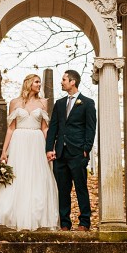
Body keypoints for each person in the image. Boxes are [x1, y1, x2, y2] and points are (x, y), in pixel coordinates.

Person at [0, 73, 59, 230]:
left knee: (37, 176)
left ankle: (37, 216)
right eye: (36, 82)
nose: (39, 85)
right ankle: (12, 215)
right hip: (19, 141)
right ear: (28, 83)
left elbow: (44, 127)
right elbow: (10, 128)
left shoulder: (43, 103)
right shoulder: (14, 102)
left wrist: (50, 147)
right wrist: (4, 151)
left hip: (36, 142)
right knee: (18, 175)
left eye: (40, 82)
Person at [45, 69, 96, 231]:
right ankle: (65, 223)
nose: (62, 82)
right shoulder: (59, 104)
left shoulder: (87, 103)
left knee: (81, 187)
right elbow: (53, 127)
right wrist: (49, 148)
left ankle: (84, 222)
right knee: (63, 189)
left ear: (72, 82)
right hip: (60, 153)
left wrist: (86, 149)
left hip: (78, 153)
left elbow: (91, 128)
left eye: (64, 79)